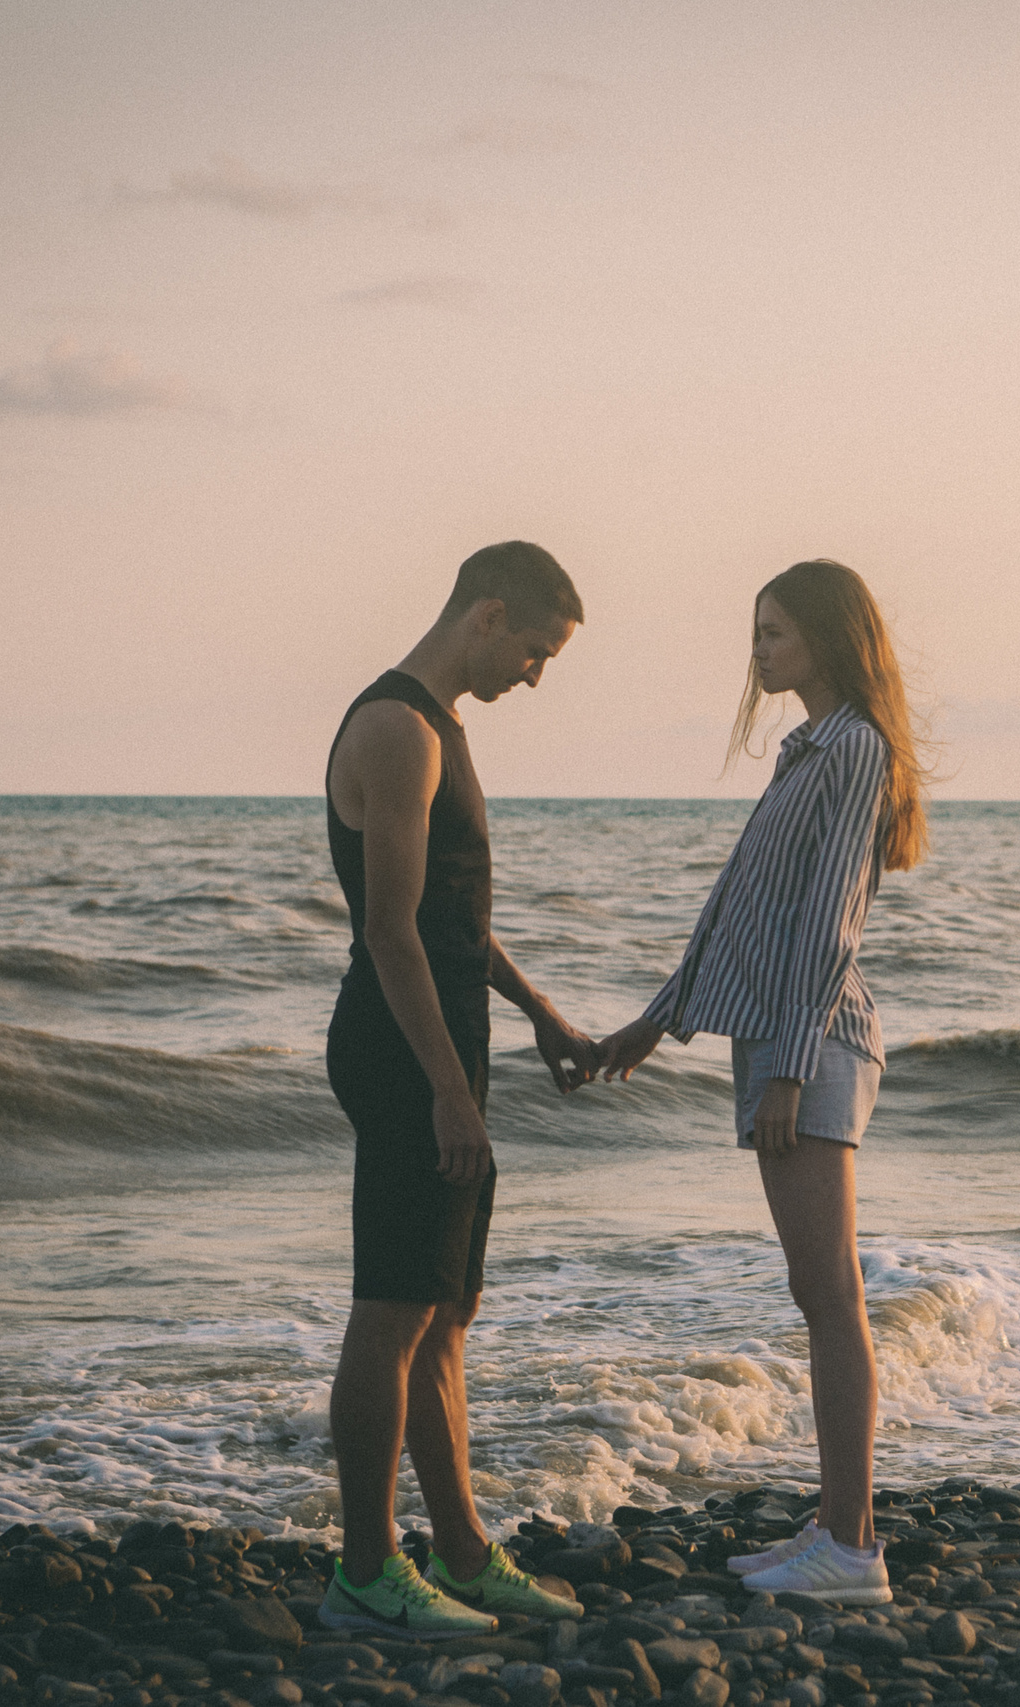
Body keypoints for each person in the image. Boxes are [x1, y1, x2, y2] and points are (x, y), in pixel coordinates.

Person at [597, 558, 929, 1607]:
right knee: (818, 1293)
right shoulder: (809, 751)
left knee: (831, 1298)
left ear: (829, 639)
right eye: (755, 633)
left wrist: (785, 1068)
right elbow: (739, 911)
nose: (759, 651)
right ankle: (842, 1529)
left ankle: (849, 1551)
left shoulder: (855, 750)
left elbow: (825, 925)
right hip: (791, 1041)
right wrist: (653, 1022)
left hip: (813, 1044)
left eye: (774, 633)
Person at [318, 541, 600, 1639]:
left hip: (447, 1040)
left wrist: (540, 1015)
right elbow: (390, 933)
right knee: (393, 1307)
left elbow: (456, 922)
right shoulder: (394, 728)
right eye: (534, 652)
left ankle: (465, 1555)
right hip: (401, 1048)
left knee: (447, 1311)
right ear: (487, 616)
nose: (534, 675)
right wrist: (445, 1089)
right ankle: (365, 1571)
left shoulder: (442, 728)